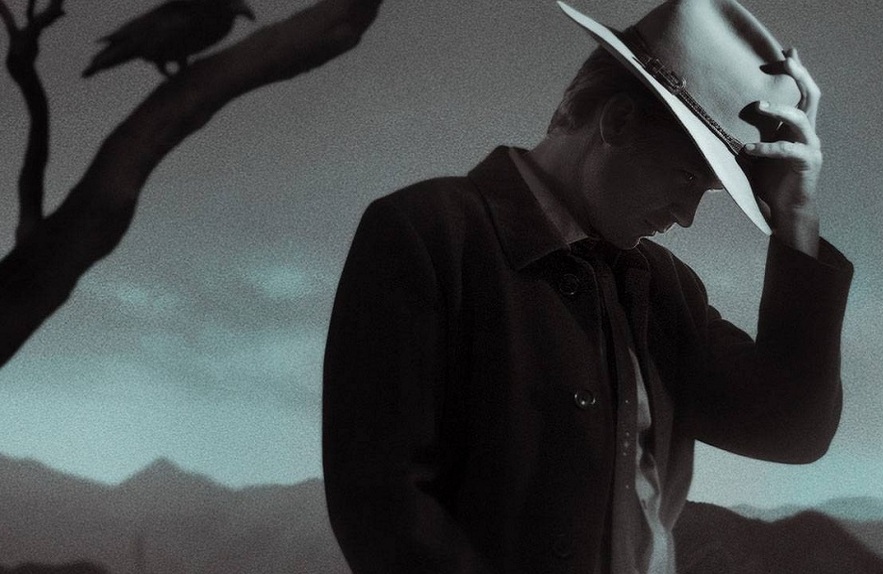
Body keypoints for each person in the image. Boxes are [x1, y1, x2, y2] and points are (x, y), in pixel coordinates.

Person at [321, 1, 853, 572]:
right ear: (617, 122)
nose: (687, 215)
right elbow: (383, 507)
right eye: (686, 176)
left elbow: (792, 430)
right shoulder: (427, 235)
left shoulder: (667, 291)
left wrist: (797, 215)